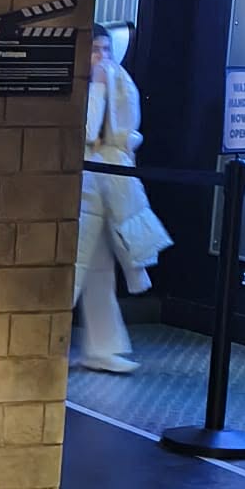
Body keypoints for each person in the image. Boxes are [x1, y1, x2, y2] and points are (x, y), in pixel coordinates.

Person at [72, 23, 172, 374]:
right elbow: (86, 131)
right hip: (83, 182)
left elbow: (127, 130)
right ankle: (40, 340)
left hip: (109, 184)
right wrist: (98, 88)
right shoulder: (81, 86)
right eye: (94, 50)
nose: (102, 57)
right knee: (74, 266)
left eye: (106, 49)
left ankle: (102, 348)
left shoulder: (120, 81)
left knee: (99, 270)